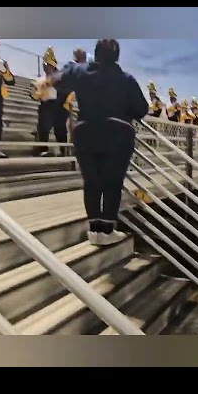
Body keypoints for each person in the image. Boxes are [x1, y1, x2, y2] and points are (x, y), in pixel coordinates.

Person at [50, 39, 149, 246]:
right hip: (117, 133)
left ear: (95, 54)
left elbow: (56, 80)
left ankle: (94, 230)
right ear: (117, 57)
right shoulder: (126, 79)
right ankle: (107, 229)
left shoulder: (81, 72)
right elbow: (142, 109)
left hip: (86, 132)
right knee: (112, 183)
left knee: (92, 182)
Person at [30, 47, 74, 157]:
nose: (47, 68)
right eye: (45, 65)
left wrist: (66, 104)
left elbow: (70, 91)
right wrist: (35, 92)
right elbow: (35, 96)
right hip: (46, 105)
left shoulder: (61, 77)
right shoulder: (40, 80)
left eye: (49, 65)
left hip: (59, 105)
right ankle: (42, 149)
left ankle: (64, 151)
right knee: (43, 127)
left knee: (60, 129)